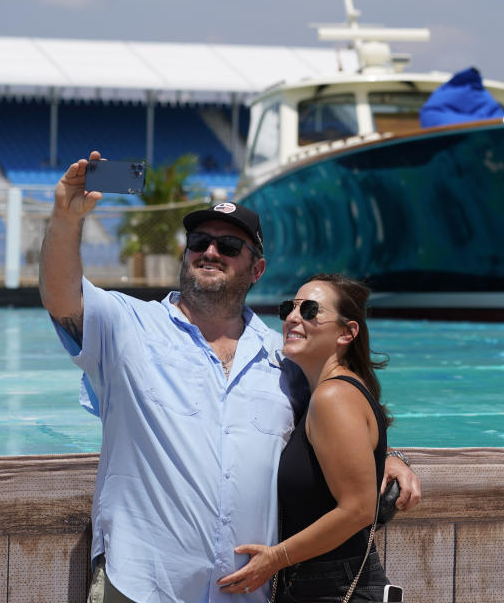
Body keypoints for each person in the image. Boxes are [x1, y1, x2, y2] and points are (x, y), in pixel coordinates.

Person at [39, 151, 421, 603]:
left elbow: (338, 417)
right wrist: (66, 217)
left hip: (247, 592)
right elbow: (62, 298)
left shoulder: (285, 361)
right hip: (142, 584)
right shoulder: (128, 327)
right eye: (199, 242)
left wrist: (386, 455)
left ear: (256, 269)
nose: (210, 252)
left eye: (229, 246)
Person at [216, 274, 395, 602]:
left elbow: (358, 509)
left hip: (332, 588)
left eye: (311, 310)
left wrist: (275, 558)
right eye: (290, 308)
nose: (293, 318)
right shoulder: (331, 393)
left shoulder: (333, 397)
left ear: (346, 333)